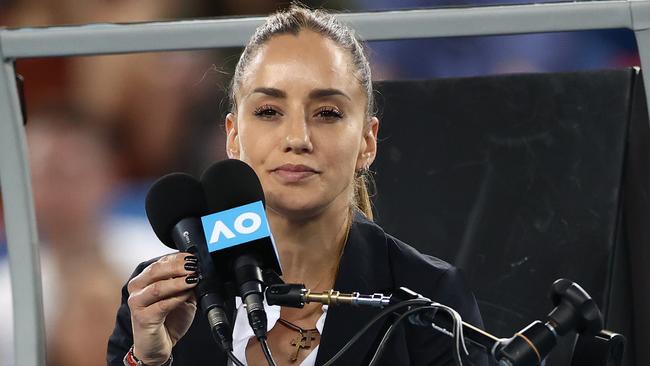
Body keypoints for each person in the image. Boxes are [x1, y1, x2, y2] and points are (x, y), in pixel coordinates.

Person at [108, 5, 490, 366]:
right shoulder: (159, 300)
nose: (297, 137)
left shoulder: (430, 297)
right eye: (269, 112)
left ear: (367, 142)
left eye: (327, 113)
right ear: (233, 137)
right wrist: (149, 361)